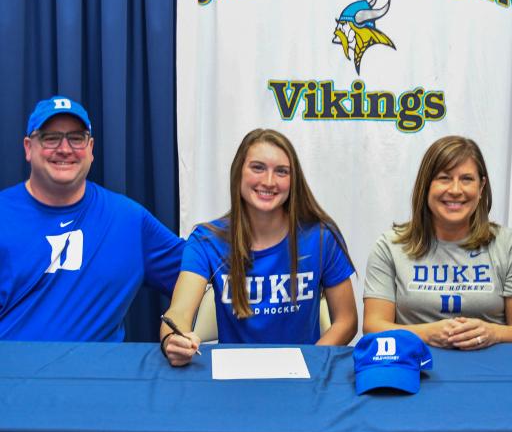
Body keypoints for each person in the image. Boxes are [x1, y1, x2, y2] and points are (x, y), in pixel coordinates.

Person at [161, 129, 357, 365]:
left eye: (281, 172)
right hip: (234, 379)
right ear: (238, 173)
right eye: (258, 167)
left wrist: (309, 363)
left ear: (293, 181)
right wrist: (173, 339)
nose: (269, 181)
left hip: (303, 380)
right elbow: (178, 313)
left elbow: (347, 321)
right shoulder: (206, 241)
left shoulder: (322, 238)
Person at [0, 95, 185, 341]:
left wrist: (174, 330)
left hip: (97, 377)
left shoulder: (128, 220)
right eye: (51, 138)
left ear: (91, 149)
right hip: (12, 376)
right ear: (28, 147)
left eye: (76, 138)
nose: (64, 149)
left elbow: (205, 274)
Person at [362, 135, 512, 349]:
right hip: (414, 368)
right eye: (444, 178)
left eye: (467, 179)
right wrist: (426, 334)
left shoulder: (507, 245)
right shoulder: (390, 246)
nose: (456, 190)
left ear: (481, 186)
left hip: (492, 369)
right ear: (426, 185)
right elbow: (372, 327)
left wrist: (493, 332)